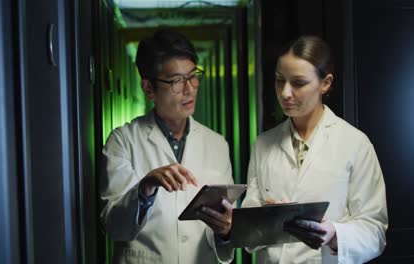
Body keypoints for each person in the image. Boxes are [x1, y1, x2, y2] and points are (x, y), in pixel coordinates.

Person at [242, 35, 388, 263]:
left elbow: (375, 231)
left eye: (298, 83)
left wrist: (334, 235)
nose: (285, 93)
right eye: (280, 80)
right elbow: (247, 233)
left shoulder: (355, 144)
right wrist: (265, 219)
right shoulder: (263, 144)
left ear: (325, 83)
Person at [100, 29, 235, 264]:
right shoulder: (123, 141)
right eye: (176, 81)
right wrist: (145, 187)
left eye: (193, 76)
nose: (189, 88)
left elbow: (224, 226)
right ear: (149, 88)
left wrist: (226, 231)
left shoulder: (217, 144)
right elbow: (114, 226)